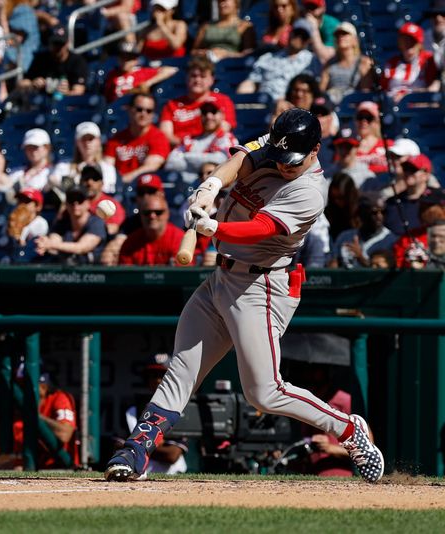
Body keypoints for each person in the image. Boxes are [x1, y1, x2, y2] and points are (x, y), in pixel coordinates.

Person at [104, 108, 385, 484]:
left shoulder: (310, 192)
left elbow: (261, 228)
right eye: (280, 156)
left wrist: (215, 226)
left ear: (316, 150)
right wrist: (211, 186)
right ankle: (136, 449)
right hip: (222, 276)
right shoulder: (276, 145)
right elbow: (240, 161)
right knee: (180, 371)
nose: (283, 166)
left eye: (292, 161)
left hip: (261, 287)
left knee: (264, 393)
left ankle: (348, 430)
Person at [0, 362, 79, 470]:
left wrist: (34, 415)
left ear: (44, 387)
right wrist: (17, 459)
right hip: (21, 470)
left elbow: (65, 434)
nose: (22, 394)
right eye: (20, 388)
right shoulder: (8, 412)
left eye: (26, 388)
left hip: (59, 469)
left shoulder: (59, 399)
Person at [117, 353, 188, 474]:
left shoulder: (179, 411)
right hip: (140, 473)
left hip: (173, 476)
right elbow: (118, 447)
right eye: (153, 376)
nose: (158, 380)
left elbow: (172, 455)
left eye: (163, 376)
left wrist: (137, 446)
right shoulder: (132, 411)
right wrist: (157, 445)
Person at [159, 57, 236, 145]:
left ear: (212, 79)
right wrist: (186, 146)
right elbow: (165, 135)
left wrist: (198, 146)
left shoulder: (223, 101)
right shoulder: (172, 105)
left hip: (210, 150)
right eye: (193, 76)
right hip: (181, 151)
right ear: (186, 78)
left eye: (203, 76)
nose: (197, 80)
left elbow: (224, 128)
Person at [238, 19, 318, 101]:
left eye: (304, 36)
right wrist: (242, 95)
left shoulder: (312, 60)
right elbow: (252, 81)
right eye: (297, 33)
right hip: (264, 104)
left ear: (308, 40)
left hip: (291, 106)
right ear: (290, 33)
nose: (299, 38)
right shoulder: (268, 58)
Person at [164, 98, 238, 183]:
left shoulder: (227, 138)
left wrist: (186, 156)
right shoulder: (189, 140)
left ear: (222, 115)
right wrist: (208, 158)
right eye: (204, 112)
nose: (208, 116)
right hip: (189, 188)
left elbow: (222, 160)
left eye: (213, 111)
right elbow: (171, 163)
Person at [104, 91, 170, 184]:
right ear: (130, 110)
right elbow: (107, 166)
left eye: (149, 111)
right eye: (139, 109)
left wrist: (122, 181)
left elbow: (150, 167)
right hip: (117, 187)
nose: (143, 114)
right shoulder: (116, 139)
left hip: (142, 188)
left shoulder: (158, 137)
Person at [35, 186, 107, 264]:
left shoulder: (96, 222)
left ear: (87, 203)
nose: (75, 204)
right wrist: (44, 244)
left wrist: (50, 244)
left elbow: (82, 248)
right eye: (71, 200)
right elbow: (54, 240)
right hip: (66, 274)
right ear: (66, 204)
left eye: (80, 200)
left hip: (94, 273)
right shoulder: (62, 222)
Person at [16, 25, 87, 99]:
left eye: (61, 44)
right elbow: (21, 84)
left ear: (67, 43)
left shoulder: (77, 62)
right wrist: (32, 83)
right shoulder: (41, 59)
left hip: (65, 106)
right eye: (55, 43)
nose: (58, 48)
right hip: (41, 103)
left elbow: (79, 92)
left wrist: (67, 93)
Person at [327, 194, 396, 269]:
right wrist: (333, 264)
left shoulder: (392, 241)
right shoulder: (345, 237)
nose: (379, 216)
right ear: (362, 214)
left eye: (383, 212)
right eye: (374, 212)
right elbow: (333, 263)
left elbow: (384, 274)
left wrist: (361, 258)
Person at [51, 122, 117, 195]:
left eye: (90, 139)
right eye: (83, 139)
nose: (87, 143)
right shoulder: (63, 166)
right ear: (77, 142)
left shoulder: (107, 168)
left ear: (98, 141)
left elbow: (108, 192)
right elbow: (53, 182)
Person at [381, 22, 440, 102]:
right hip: (393, 106)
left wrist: (407, 96)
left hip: (419, 105)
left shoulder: (428, 61)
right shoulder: (391, 63)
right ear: (399, 42)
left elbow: (434, 88)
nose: (408, 44)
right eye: (404, 40)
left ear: (419, 44)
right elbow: (384, 90)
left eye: (412, 41)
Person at [104, 41, 178, 103]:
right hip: (115, 108)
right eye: (123, 58)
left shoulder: (142, 72)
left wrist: (148, 83)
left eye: (129, 58)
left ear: (136, 60)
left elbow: (171, 70)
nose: (125, 61)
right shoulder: (112, 74)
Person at [118, 194, 183, 266]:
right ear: (140, 215)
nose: (152, 216)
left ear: (167, 214)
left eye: (158, 212)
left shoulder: (180, 239)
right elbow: (125, 275)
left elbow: (184, 274)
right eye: (147, 213)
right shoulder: (131, 242)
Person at [319, 21, 373, 104]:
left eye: (345, 34)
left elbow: (365, 93)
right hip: (332, 106)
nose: (340, 37)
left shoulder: (364, 62)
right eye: (337, 35)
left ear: (355, 39)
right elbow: (321, 92)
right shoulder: (329, 64)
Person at [192, 0, 256, 61]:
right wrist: (204, 53)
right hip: (207, 64)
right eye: (219, 1)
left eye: (225, 1)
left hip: (232, 64)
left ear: (236, 3)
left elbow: (248, 54)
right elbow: (194, 51)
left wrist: (227, 54)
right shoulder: (206, 26)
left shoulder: (245, 26)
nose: (221, 4)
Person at [81, 164, 125, 235]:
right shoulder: (74, 203)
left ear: (102, 183)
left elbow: (112, 229)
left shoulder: (110, 204)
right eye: (86, 178)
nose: (89, 182)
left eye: (95, 178)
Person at [352, 101, 391, 175]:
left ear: (377, 121)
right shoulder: (348, 146)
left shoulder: (388, 145)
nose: (364, 121)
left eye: (368, 118)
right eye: (360, 117)